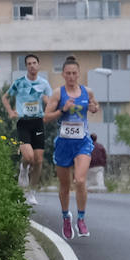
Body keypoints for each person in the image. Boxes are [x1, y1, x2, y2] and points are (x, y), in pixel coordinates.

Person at [43, 56, 98, 240]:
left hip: (82, 142)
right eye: (68, 73)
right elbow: (46, 117)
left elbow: (94, 106)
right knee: (65, 186)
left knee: (80, 180)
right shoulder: (58, 94)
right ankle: (66, 217)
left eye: (74, 73)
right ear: (63, 74)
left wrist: (94, 108)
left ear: (79, 74)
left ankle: (81, 218)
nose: (71, 76)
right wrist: (62, 110)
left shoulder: (87, 91)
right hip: (63, 144)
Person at [3, 53, 52, 206]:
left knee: (38, 161)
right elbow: (5, 97)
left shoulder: (44, 83)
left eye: (34, 63)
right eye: (29, 63)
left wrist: (47, 106)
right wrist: (11, 112)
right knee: (29, 157)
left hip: (38, 122)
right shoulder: (19, 83)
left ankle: (31, 193)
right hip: (23, 122)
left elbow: (49, 99)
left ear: (38, 65)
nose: (32, 65)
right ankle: (23, 168)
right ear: (26, 66)